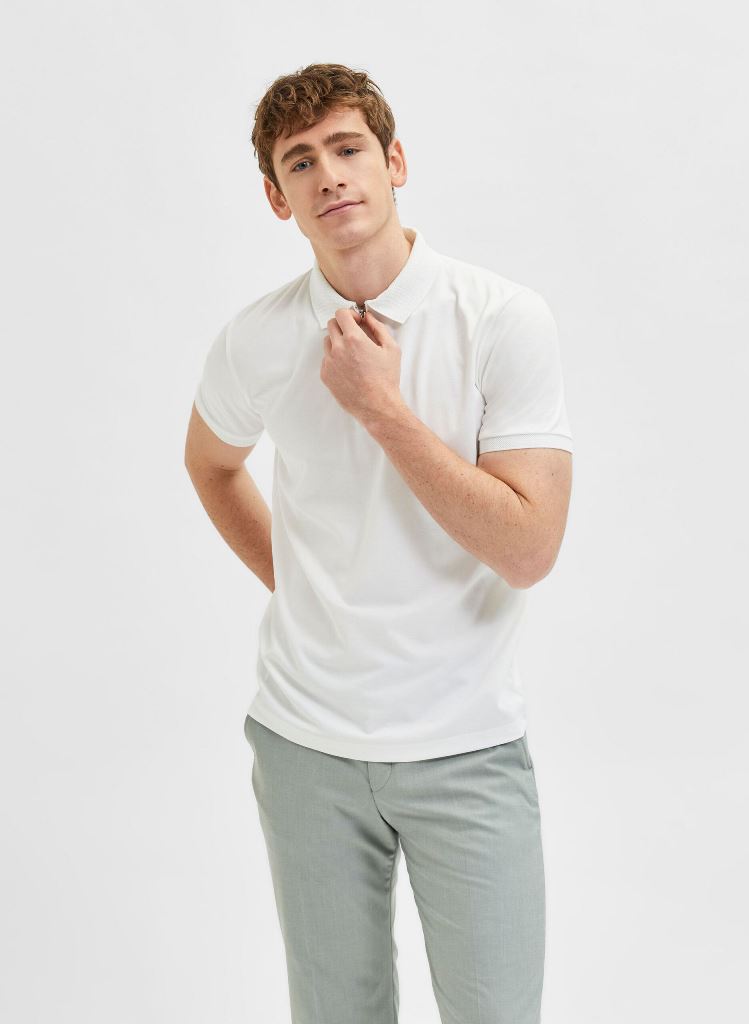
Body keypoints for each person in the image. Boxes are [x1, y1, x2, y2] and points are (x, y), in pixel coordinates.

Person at [184, 62, 573, 1024]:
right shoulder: (256, 339)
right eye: (300, 162)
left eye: (348, 148)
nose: (330, 175)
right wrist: (299, 586)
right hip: (304, 746)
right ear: (277, 198)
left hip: (466, 744)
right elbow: (211, 464)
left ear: (394, 162)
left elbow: (529, 549)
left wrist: (382, 409)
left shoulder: (501, 319)